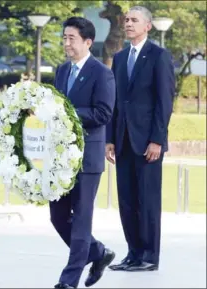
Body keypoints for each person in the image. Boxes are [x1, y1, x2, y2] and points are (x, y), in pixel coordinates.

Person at [106, 6, 175, 272]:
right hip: (123, 141)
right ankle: (133, 254)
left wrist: (157, 139)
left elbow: (164, 102)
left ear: (148, 26)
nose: (128, 23)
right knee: (126, 201)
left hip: (148, 143)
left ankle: (149, 257)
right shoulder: (120, 57)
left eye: (134, 20)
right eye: (126, 20)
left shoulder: (159, 56)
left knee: (147, 201)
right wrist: (110, 138)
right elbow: (114, 102)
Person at [50, 17, 116, 289]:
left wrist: (67, 113)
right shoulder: (62, 71)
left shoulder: (102, 73)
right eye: (64, 37)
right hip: (61, 157)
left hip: (87, 158)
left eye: (71, 38)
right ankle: (98, 253)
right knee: (57, 215)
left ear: (88, 42)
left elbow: (103, 113)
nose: (66, 43)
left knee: (81, 221)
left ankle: (68, 281)